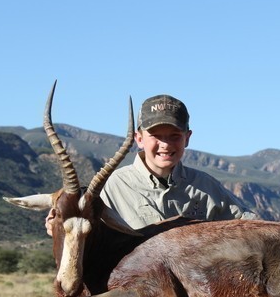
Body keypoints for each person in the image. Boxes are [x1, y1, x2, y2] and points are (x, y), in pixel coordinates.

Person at [45, 94, 256, 235]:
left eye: (174, 135)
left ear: (187, 138)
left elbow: (249, 223)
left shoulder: (206, 185)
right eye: (155, 136)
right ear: (139, 138)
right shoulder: (112, 186)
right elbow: (78, 225)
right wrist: (57, 221)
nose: (165, 144)